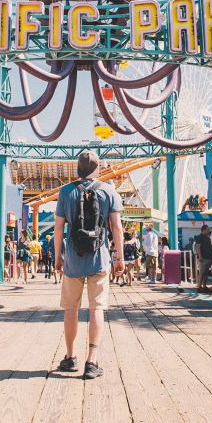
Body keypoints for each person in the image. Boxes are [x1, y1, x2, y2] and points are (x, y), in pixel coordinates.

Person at [54, 150, 125, 380]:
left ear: (78, 168)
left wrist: (58, 256)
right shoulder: (108, 190)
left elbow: (58, 228)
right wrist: (120, 258)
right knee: (96, 309)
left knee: (70, 309)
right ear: (97, 169)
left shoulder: (66, 192)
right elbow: (116, 228)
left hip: (73, 259)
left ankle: (70, 356)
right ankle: (92, 362)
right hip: (100, 258)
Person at [194, 225, 212, 293]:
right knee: (202, 272)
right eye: (207, 229)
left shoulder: (207, 237)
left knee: (206, 273)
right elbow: (198, 247)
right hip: (203, 258)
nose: (208, 231)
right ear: (204, 230)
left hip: (208, 257)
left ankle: (204, 286)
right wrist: (200, 256)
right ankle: (199, 287)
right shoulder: (200, 237)